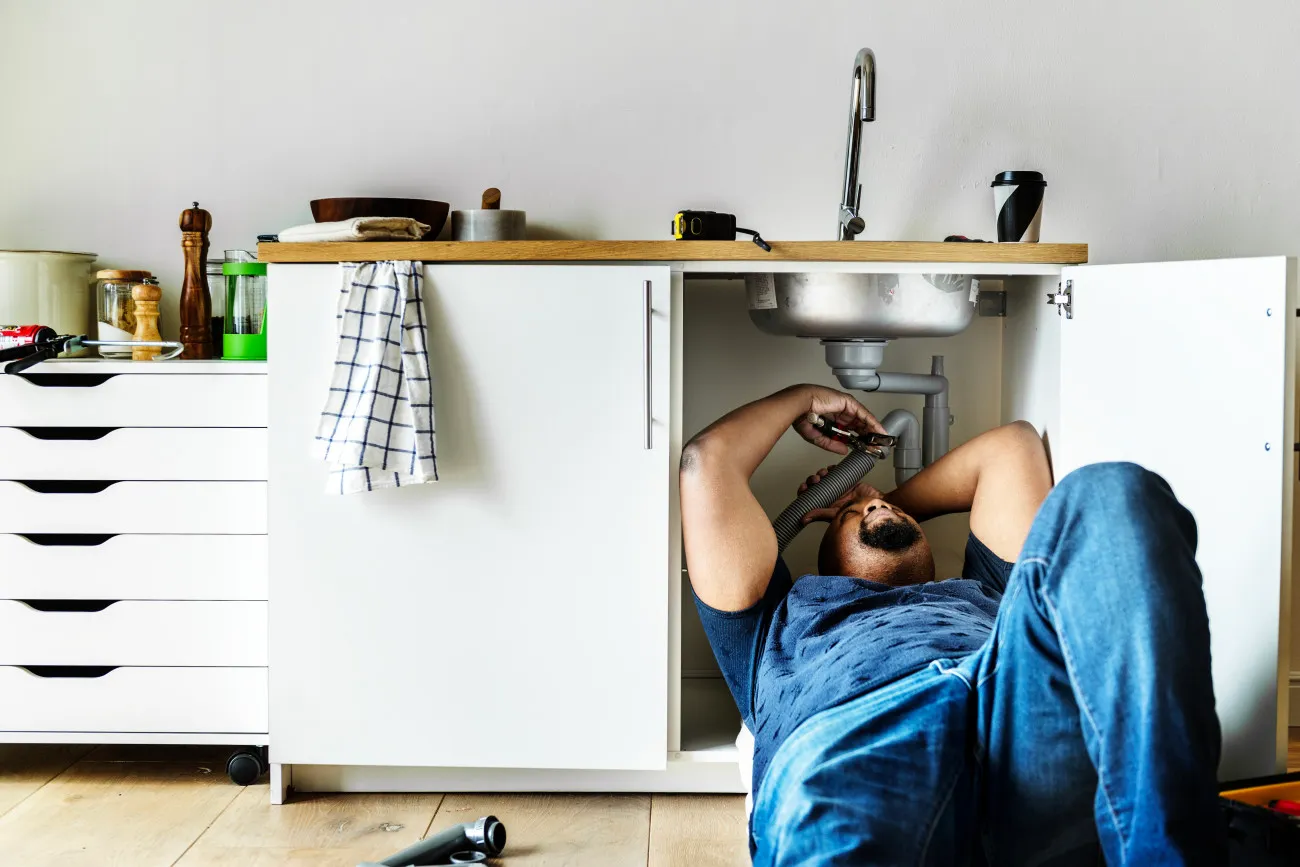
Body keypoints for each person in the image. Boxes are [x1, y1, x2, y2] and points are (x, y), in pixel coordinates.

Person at [679, 384, 1224, 866]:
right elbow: (707, 463)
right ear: (823, 558)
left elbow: (1012, 446)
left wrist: (872, 499)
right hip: (859, 736)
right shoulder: (778, 617)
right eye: (850, 520)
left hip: (1013, 704)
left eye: (882, 513)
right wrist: (802, 397)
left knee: (1112, 494)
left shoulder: (985, 588)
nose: (874, 515)